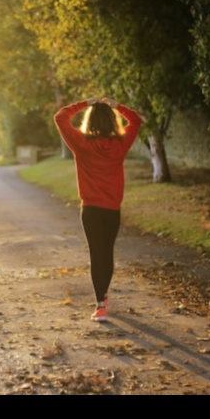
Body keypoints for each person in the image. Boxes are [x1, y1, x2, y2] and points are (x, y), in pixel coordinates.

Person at [54, 96, 143, 322]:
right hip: (112, 209)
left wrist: (84, 103)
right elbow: (136, 120)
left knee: (97, 254)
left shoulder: (80, 143)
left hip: (91, 209)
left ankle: (101, 304)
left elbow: (60, 117)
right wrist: (117, 105)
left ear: (90, 120)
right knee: (107, 252)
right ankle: (103, 296)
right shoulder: (120, 144)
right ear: (112, 121)